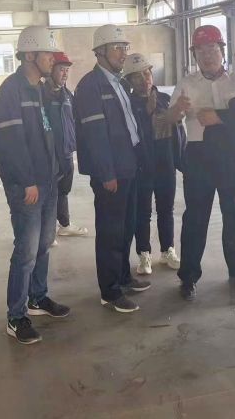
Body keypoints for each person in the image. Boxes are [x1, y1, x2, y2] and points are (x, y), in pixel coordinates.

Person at [169, 25, 235, 301]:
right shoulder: (186, 83)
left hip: (231, 156)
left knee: (233, 216)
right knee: (195, 219)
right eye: (200, 50)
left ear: (222, 51)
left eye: (212, 49)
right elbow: (170, 118)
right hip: (198, 156)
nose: (207, 55)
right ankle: (188, 278)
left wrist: (219, 117)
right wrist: (177, 110)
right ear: (194, 54)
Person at [0, 27, 71, 344]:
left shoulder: (39, 88)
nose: (52, 58)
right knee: (26, 251)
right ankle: (16, 316)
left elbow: (49, 131)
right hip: (28, 185)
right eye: (47, 53)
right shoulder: (11, 90)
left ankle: (37, 297)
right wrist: (26, 180)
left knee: (44, 244)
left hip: (48, 180)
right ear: (29, 55)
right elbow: (10, 142)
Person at [75, 24, 149, 313]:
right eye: (117, 48)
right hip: (112, 172)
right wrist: (106, 173)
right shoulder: (90, 87)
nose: (123, 53)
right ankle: (110, 291)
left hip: (128, 165)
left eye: (124, 47)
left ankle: (123, 277)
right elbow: (95, 136)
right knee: (110, 232)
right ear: (100, 52)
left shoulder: (119, 83)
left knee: (126, 226)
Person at [122, 52, 183, 275]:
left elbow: (179, 133)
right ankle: (144, 253)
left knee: (166, 209)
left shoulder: (165, 100)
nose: (144, 79)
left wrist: (181, 160)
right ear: (129, 81)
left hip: (165, 163)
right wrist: (146, 114)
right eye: (137, 76)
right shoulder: (128, 106)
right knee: (143, 212)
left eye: (146, 74)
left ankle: (168, 250)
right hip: (142, 167)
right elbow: (130, 136)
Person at [43, 51, 87, 238]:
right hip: (49, 153)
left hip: (66, 151)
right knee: (50, 192)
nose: (65, 74)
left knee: (63, 190)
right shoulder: (41, 95)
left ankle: (64, 224)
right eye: (61, 69)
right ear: (51, 69)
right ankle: (48, 231)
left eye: (67, 70)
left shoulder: (67, 95)